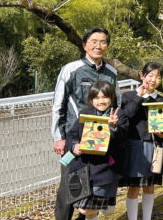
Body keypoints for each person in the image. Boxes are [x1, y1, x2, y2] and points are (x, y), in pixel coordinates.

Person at [51, 27, 117, 220]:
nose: (98, 46)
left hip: (101, 139)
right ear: (84, 44)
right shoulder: (71, 69)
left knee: (93, 187)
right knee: (69, 185)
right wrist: (59, 137)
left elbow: (116, 103)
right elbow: (58, 105)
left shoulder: (111, 71)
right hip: (75, 140)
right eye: (94, 41)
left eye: (103, 42)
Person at [65, 81, 124, 220]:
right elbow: (72, 134)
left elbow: (122, 139)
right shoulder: (85, 113)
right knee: (88, 211)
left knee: (88, 209)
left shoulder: (118, 114)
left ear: (112, 98)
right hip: (83, 169)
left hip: (104, 170)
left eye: (105, 97)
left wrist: (114, 127)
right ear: (91, 100)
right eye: (96, 98)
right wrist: (75, 146)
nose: (101, 101)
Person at [118, 63, 163, 220]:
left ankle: (147, 218)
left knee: (149, 186)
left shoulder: (161, 99)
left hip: (154, 147)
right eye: (150, 76)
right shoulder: (129, 96)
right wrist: (139, 96)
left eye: (158, 77)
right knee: (133, 187)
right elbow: (126, 117)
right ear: (142, 76)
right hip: (134, 146)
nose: (154, 80)